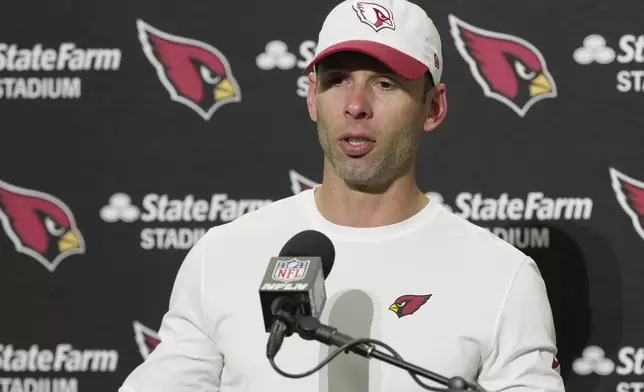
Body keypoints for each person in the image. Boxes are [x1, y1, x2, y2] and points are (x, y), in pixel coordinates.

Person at [119, 0, 565, 391]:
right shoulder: (222, 255)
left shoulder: (502, 277)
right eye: (336, 81)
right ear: (312, 98)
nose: (356, 105)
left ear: (433, 107)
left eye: (385, 83)